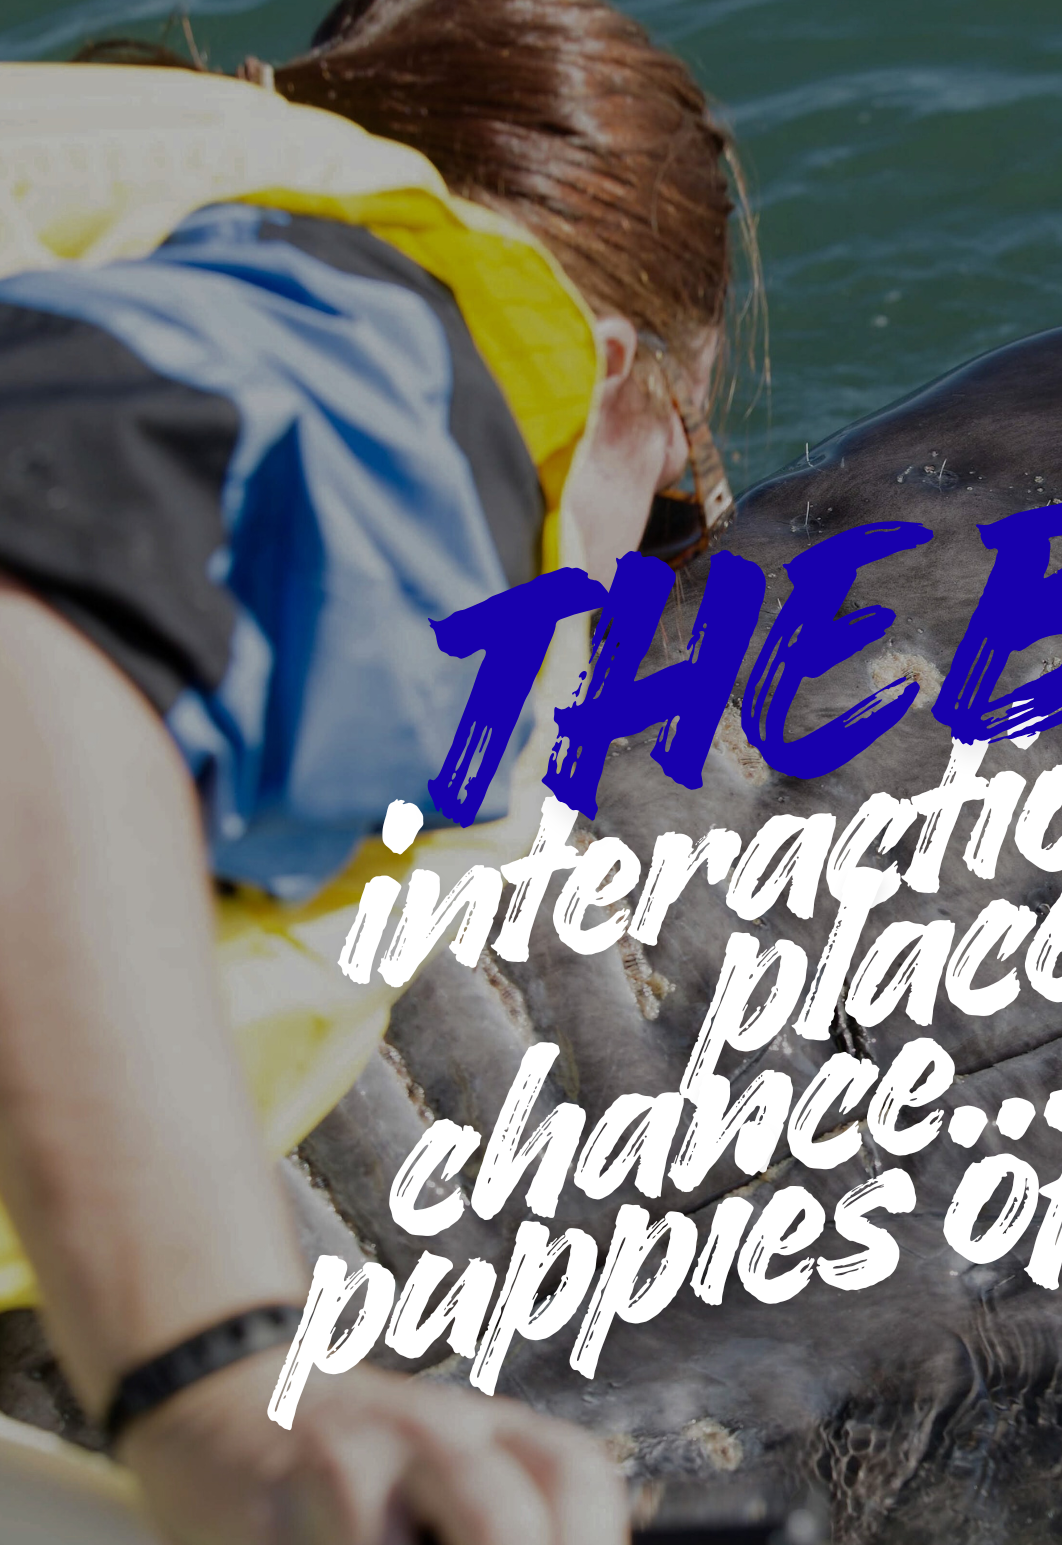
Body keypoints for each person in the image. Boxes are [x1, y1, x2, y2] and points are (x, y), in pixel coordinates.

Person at [0, 1, 750, 1539]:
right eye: (665, 505)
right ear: (619, 382)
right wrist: (211, 1370)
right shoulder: (396, 375)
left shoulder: (117, 212)